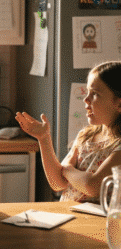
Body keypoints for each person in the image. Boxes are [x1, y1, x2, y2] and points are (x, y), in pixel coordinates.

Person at [16, 61, 121, 203]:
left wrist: (67, 170)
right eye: (87, 92)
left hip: (96, 223)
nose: (86, 99)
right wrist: (44, 139)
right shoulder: (86, 136)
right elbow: (57, 183)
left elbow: (92, 186)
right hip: (69, 216)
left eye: (95, 94)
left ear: (119, 104)